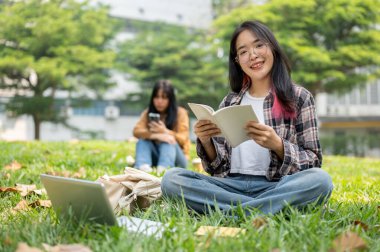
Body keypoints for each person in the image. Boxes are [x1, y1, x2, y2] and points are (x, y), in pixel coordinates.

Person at [161, 20, 333, 216]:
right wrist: (206, 141)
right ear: (237, 61)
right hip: (230, 186)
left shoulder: (299, 97)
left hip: (276, 186)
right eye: (243, 52)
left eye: (259, 45)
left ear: (273, 48)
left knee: (320, 180)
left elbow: (313, 161)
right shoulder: (230, 101)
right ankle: (264, 210)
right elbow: (217, 170)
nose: (252, 55)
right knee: (172, 179)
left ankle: (233, 212)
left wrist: (278, 145)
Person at [133, 80, 191, 174]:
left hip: (178, 158)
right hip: (156, 156)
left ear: (170, 99)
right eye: (156, 97)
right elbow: (136, 131)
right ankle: (143, 168)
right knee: (142, 140)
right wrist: (156, 135)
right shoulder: (148, 112)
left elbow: (183, 138)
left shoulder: (181, 113)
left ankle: (164, 170)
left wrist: (165, 131)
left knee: (168, 140)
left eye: (164, 98)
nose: (159, 101)